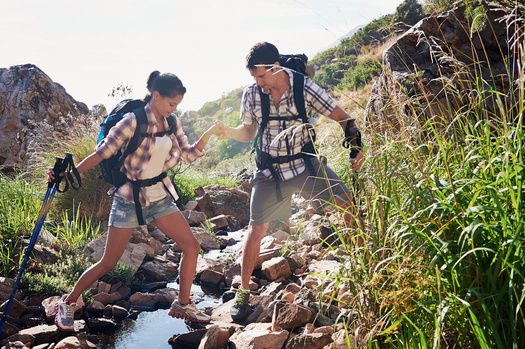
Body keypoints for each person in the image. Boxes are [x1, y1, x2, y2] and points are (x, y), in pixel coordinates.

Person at [49, 71, 219, 331]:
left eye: (177, 106)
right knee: (108, 262)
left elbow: (188, 155)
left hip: (159, 196)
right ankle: (68, 302)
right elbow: (101, 153)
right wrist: (68, 175)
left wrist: (208, 135)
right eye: (172, 104)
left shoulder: (172, 122)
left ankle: (183, 304)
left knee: (192, 247)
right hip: (128, 198)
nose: (174, 110)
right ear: (157, 95)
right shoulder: (132, 121)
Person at [213, 42, 364, 321]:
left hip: (305, 165)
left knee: (347, 204)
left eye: (261, 76)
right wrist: (229, 132)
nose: (258, 83)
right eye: (254, 78)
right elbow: (248, 132)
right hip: (269, 172)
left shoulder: (304, 87)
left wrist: (356, 145)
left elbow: (344, 118)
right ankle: (243, 293)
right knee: (255, 229)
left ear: (275, 67)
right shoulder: (251, 94)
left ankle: (362, 268)